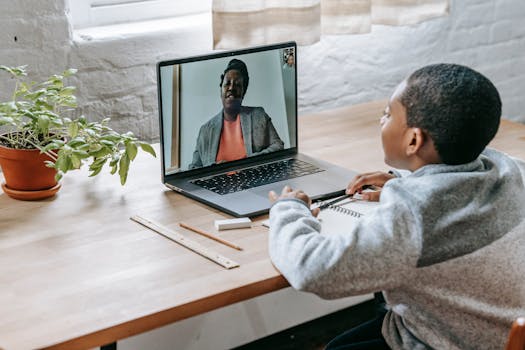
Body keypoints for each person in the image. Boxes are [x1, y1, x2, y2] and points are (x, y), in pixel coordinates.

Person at [268, 63, 525, 349]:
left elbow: (311, 269)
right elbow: (450, 191)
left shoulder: (414, 216)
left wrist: (289, 209)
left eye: (388, 114)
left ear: (414, 140)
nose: (382, 120)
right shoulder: (508, 168)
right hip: (500, 331)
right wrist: (401, 182)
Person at [189, 59, 284, 169]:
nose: (231, 88)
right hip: (218, 185)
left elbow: (278, 146)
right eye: (227, 83)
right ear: (221, 89)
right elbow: (193, 169)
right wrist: (214, 170)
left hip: (254, 181)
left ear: (243, 92)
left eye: (238, 84)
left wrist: (248, 162)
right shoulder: (205, 131)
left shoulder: (258, 115)